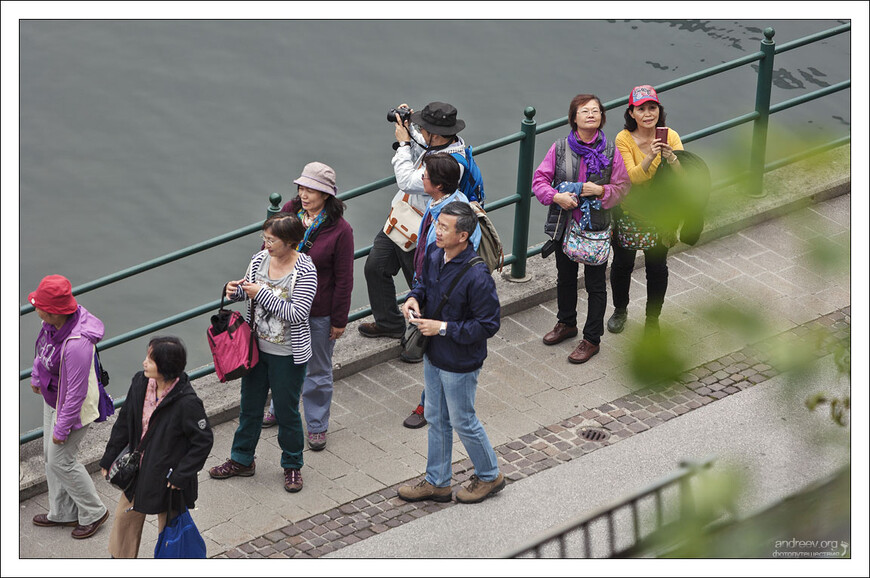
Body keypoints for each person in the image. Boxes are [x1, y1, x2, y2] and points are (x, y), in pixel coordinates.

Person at [397, 202, 504, 504]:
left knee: (463, 420)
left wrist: (441, 328)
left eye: (444, 227)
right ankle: (438, 481)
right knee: (435, 416)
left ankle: (489, 475)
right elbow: (423, 285)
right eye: (437, 224)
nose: (437, 230)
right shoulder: (434, 254)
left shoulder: (478, 276)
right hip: (434, 355)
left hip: (460, 362)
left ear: (464, 236)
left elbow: (488, 325)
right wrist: (413, 299)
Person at [209, 212, 317, 493]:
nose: (266, 244)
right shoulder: (259, 261)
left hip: (288, 354)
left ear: (292, 242)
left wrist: (262, 293)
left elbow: (297, 313)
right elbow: (247, 293)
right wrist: (234, 290)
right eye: (265, 238)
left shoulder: (306, 270)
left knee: (286, 411)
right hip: (255, 351)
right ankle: (241, 459)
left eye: (272, 240)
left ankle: (293, 465)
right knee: (250, 407)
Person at [359, 101, 472, 340]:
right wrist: (409, 130)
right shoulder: (432, 145)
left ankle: (424, 338)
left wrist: (402, 143)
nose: (421, 132)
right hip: (401, 217)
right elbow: (417, 155)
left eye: (424, 129)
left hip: (427, 229)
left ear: (436, 135)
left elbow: (408, 181)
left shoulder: (452, 163)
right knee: (375, 267)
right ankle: (389, 323)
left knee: (421, 285)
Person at [261, 162, 354, 452]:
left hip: (319, 311)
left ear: (326, 194)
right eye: (301, 187)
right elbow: (268, 249)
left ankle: (316, 425)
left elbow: (344, 278)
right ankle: (280, 408)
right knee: (281, 360)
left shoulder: (341, 230)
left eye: (311, 190)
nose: (303, 194)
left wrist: (339, 319)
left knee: (317, 369)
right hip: (280, 303)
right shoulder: (289, 210)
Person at [532, 94, 631, 364]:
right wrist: (556, 197)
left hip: (595, 228)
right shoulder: (560, 147)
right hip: (565, 225)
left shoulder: (611, 151)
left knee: (596, 284)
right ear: (573, 117)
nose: (591, 115)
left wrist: (601, 190)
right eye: (584, 111)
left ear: (602, 117)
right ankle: (566, 323)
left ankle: (591, 339)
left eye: (596, 111)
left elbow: (623, 188)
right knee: (564, 277)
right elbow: (539, 180)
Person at [99, 336, 213, 558]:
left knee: (170, 530)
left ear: (166, 367)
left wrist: (181, 475)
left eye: (150, 360)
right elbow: (124, 422)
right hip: (138, 473)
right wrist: (109, 457)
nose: (144, 363)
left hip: (169, 479)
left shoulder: (187, 402)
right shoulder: (140, 383)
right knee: (124, 521)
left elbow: (203, 440)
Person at [401, 152, 481, 428]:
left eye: (425, 174)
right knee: (434, 349)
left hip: (446, 295)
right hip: (430, 286)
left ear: (438, 184)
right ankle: (433, 404)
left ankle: (431, 405)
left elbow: (464, 259)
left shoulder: (454, 214)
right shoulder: (438, 203)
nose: (421, 177)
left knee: (439, 343)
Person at [28, 274, 110, 540]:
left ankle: (94, 512)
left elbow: (76, 393)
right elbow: (43, 351)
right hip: (53, 398)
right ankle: (62, 512)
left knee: (61, 460)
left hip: (72, 408)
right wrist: (36, 376)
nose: (34, 306)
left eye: (38, 304)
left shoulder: (77, 345)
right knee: (50, 457)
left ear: (53, 312)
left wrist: (61, 429)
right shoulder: (52, 325)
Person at [609, 85, 684, 335]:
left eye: (652, 108)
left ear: (658, 110)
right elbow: (631, 177)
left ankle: (653, 319)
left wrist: (672, 159)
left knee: (657, 269)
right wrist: (651, 157)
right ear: (631, 113)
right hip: (629, 212)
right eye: (641, 109)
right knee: (622, 266)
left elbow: (685, 178)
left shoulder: (670, 136)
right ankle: (620, 310)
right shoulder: (624, 139)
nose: (648, 114)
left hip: (660, 214)